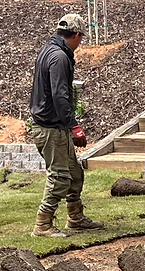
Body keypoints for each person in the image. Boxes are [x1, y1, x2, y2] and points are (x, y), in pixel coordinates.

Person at [28, 14, 104, 238]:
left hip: (53, 126)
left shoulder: (49, 50)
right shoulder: (59, 57)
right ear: (77, 35)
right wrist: (74, 126)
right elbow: (60, 96)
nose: (81, 43)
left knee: (74, 173)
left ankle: (76, 218)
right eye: (81, 38)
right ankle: (42, 225)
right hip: (51, 128)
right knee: (60, 176)